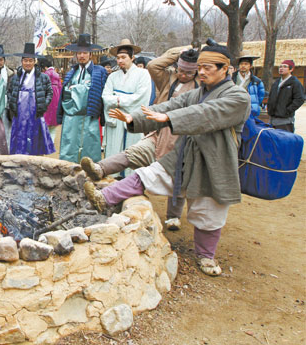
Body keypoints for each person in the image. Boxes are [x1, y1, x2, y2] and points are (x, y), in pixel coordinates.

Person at [84, 42, 250, 276]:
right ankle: (103, 198)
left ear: (226, 69)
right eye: (200, 67)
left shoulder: (238, 96)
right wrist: (134, 118)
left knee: (209, 212)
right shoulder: (196, 93)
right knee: (147, 174)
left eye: (208, 67)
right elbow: (168, 105)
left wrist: (169, 117)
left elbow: (206, 114)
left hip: (215, 161)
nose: (201, 72)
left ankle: (206, 256)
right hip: (186, 154)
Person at [82, 47, 200, 230]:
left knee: (178, 173)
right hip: (158, 129)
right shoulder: (169, 78)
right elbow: (154, 65)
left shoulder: (201, 87)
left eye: (189, 72)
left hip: (183, 134)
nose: (183, 75)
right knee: (134, 152)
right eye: (181, 70)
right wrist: (181, 53)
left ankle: (173, 215)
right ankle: (100, 168)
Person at [102, 39, 152, 176]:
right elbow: (105, 97)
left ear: (132, 58)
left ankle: (133, 181)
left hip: (132, 120)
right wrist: (122, 100)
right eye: (118, 58)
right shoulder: (112, 76)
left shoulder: (143, 75)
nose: (120, 61)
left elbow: (141, 98)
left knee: (133, 152)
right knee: (113, 150)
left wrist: (116, 99)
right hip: (115, 121)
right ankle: (113, 177)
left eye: (123, 57)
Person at [57, 33, 107, 163]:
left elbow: (102, 94)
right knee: (69, 149)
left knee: (90, 150)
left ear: (90, 54)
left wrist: (75, 89)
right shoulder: (71, 73)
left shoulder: (99, 71)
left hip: (90, 116)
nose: (82, 56)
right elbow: (65, 96)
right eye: (79, 53)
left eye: (85, 52)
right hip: (71, 117)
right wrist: (83, 89)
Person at [7, 43, 55, 155]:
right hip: (19, 114)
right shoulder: (15, 78)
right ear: (22, 61)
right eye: (25, 60)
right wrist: (12, 104)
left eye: (30, 60)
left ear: (35, 61)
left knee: (35, 140)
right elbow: (9, 92)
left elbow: (49, 92)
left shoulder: (43, 77)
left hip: (35, 114)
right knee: (19, 140)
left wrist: (43, 104)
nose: (28, 63)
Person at [267, 59, 305, 133]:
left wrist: (287, 110)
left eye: (285, 67)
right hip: (272, 119)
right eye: (280, 67)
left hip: (285, 120)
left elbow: (300, 99)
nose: (281, 68)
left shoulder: (294, 83)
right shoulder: (276, 82)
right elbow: (271, 97)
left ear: (291, 69)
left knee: (284, 142)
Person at [0, 44, 15, 145]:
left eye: (1, 60)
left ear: (4, 60)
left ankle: (7, 151)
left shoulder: (11, 73)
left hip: (6, 105)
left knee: (6, 129)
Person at [233, 53, 265, 118]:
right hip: (234, 108)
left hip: (249, 109)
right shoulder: (232, 78)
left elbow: (260, 96)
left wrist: (254, 105)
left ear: (250, 66)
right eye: (241, 64)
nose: (243, 66)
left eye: (246, 64)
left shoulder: (256, 81)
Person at [40, 55, 62, 143]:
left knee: (45, 122)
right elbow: (60, 89)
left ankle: (44, 142)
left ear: (44, 67)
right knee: (53, 125)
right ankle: (51, 142)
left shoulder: (45, 75)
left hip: (48, 100)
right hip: (56, 100)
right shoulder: (57, 75)